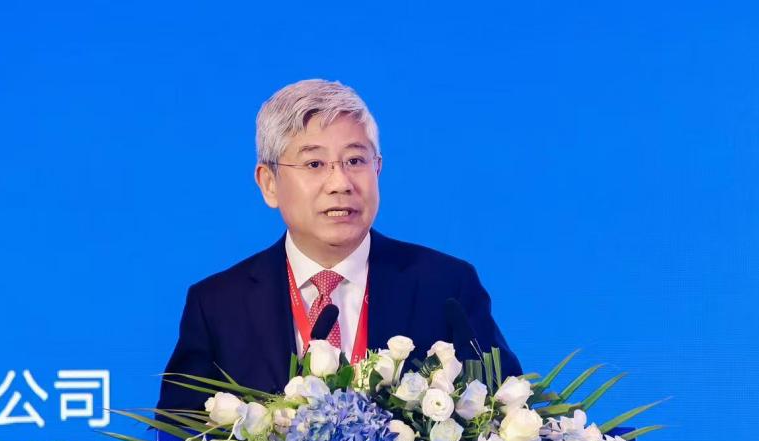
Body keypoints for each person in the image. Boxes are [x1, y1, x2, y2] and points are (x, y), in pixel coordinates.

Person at [157, 79, 521, 412]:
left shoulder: (446, 287)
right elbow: (177, 439)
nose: (340, 183)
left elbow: (508, 414)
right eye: (314, 163)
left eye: (355, 160)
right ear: (269, 183)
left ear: (377, 169)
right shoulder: (219, 306)